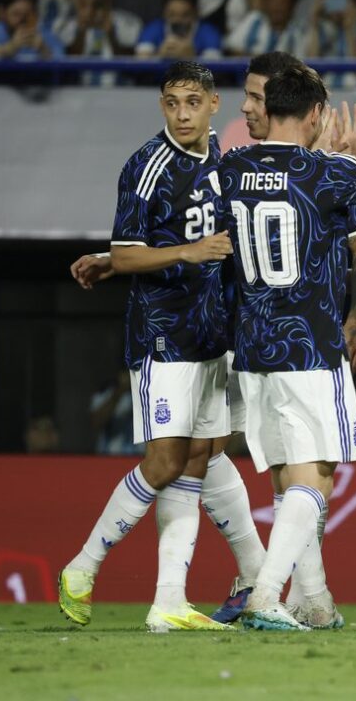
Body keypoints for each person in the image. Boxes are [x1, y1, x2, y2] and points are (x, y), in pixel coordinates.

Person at [219, 66, 356, 630]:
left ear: (268, 109)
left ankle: (313, 601)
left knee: (289, 474)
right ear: (315, 114)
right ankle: (267, 593)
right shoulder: (327, 171)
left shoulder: (232, 167)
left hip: (253, 349)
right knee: (316, 475)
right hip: (310, 346)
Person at [58, 61, 234, 633]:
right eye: (171, 102)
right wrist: (184, 251)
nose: (181, 113)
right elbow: (132, 252)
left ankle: (169, 602)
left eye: (191, 101)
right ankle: (82, 566)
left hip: (212, 336)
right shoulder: (146, 164)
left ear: (213, 104)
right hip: (163, 334)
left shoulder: (223, 163)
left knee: (198, 459)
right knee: (162, 462)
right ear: (163, 106)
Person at [136, 0, 223, 59]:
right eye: (172, 14)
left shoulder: (208, 31)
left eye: (185, 15)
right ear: (164, 13)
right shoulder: (154, 28)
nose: (178, 20)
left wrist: (192, 57)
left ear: (195, 13)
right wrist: (159, 55)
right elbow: (141, 58)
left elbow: (215, 66)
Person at [0, 0, 66, 59]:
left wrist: (43, 49)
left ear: (36, 15)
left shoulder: (46, 35)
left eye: (27, 14)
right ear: (4, 14)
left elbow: (62, 62)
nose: (22, 20)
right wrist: (12, 46)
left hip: (35, 81)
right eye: (16, 14)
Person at [225, 0, 308, 57]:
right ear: (265, 2)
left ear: (291, 4)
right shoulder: (254, 20)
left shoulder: (297, 32)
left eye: (283, 2)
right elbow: (232, 48)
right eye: (273, 1)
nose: (277, 6)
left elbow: (300, 64)